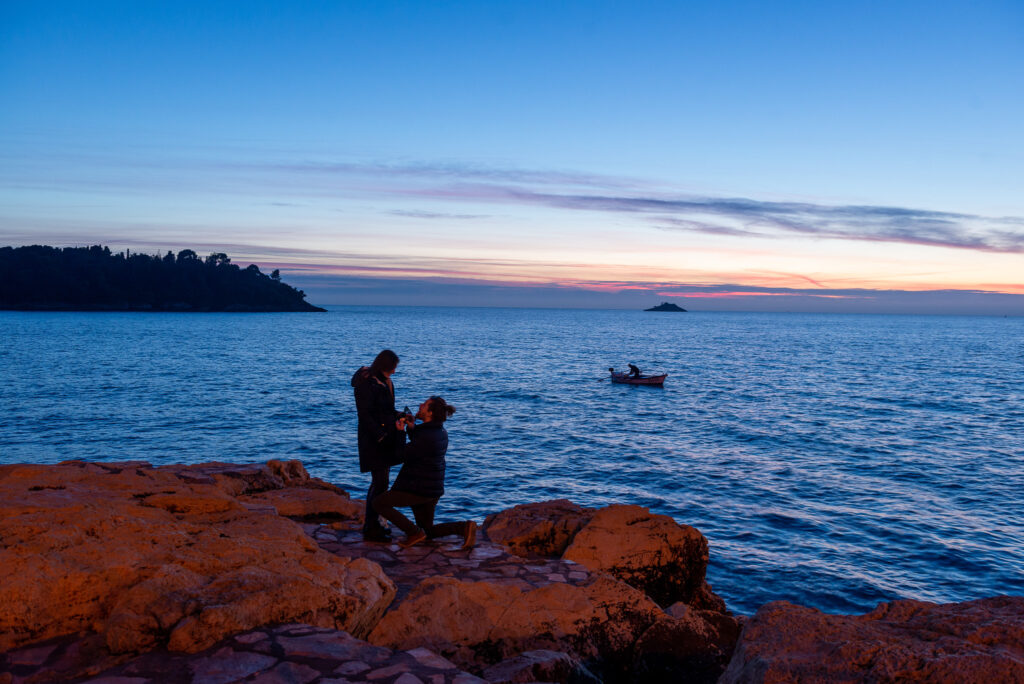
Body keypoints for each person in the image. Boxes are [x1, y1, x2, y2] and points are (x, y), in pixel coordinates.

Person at [372, 395, 477, 549]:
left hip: (418, 488)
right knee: (427, 531)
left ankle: (414, 533)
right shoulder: (439, 431)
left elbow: (401, 455)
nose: (420, 405)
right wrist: (412, 428)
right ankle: (463, 528)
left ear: (430, 413)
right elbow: (421, 445)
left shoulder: (427, 436)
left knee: (379, 503)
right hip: (432, 489)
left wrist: (400, 433)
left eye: (425, 405)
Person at [351, 349, 406, 542]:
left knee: (381, 481)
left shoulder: (385, 383)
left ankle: (375, 523)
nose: (394, 371)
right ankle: (371, 525)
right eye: (393, 368)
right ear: (385, 366)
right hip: (374, 440)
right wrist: (380, 435)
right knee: (379, 481)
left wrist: (400, 416)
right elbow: (364, 414)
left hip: (384, 437)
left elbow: (386, 410)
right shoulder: (366, 384)